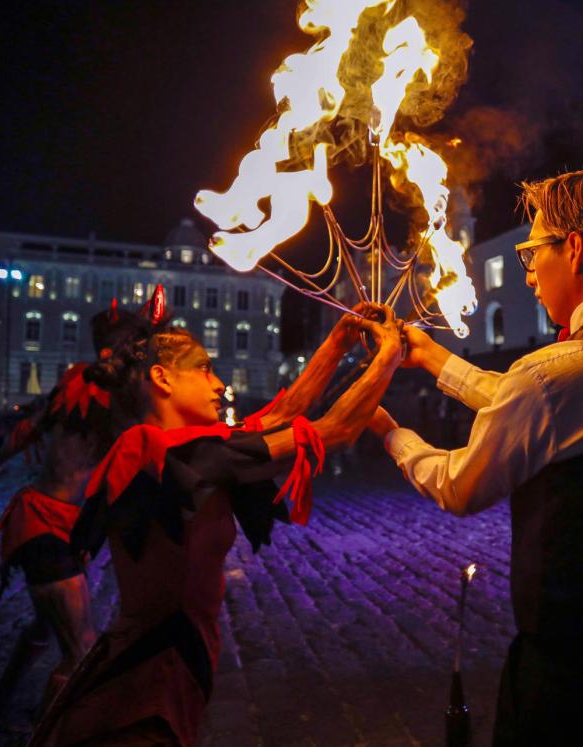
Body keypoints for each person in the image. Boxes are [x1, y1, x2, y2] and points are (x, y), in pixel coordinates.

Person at [369, 166, 583, 744]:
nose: (529, 273)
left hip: (578, 683)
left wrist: (389, 432)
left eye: (533, 251)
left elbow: (462, 485)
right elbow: (547, 412)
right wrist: (434, 358)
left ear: (575, 248)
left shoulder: (561, 375)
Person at [29, 302, 403, 746]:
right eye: (204, 370)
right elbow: (336, 430)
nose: (221, 384)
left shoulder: (187, 452)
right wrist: (391, 356)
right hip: (149, 680)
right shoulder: (171, 457)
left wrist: (338, 341)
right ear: (162, 378)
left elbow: (282, 416)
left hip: (168, 663)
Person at [0, 300, 152, 723]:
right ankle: (50, 735)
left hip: (65, 526)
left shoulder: (95, 384)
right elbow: (33, 427)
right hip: (44, 526)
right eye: (134, 347)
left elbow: (32, 427)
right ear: (116, 351)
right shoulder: (94, 387)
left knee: (44, 626)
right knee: (81, 648)